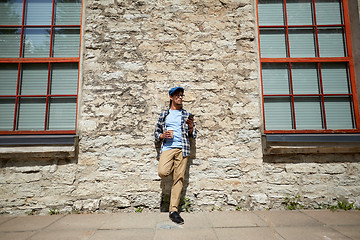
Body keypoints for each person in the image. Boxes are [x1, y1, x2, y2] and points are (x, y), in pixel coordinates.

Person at [154, 87, 197, 224]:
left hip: (182, 149)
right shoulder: (164, 115)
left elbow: (193, 134)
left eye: (181, 95)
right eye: (177, 95)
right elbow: (156, 132)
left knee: (178, 179)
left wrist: (191, 127)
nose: (180, 97)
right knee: (162, 172)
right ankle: (172, 166)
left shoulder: (186, 115)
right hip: (168, 147)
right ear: (171, 97)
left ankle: (174, 211)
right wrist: (162, 135)